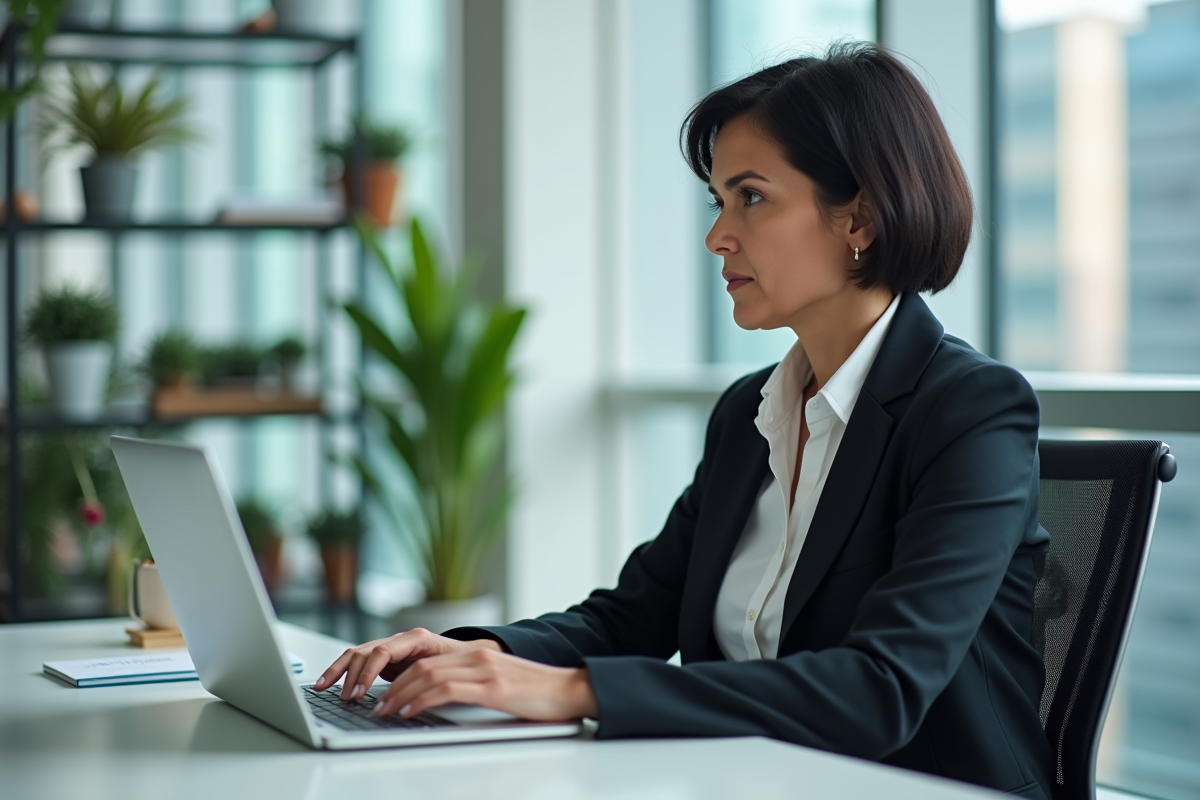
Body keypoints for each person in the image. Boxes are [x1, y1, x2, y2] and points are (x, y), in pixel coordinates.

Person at [316, 42, 1053, 799]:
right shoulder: (749, 413)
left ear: (858, 215)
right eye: (718, 202)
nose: (717, 237)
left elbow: (880, 689)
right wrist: (466, 653)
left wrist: (574, 694)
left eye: (751, 198)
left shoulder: (971, 410)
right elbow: (631, 618)